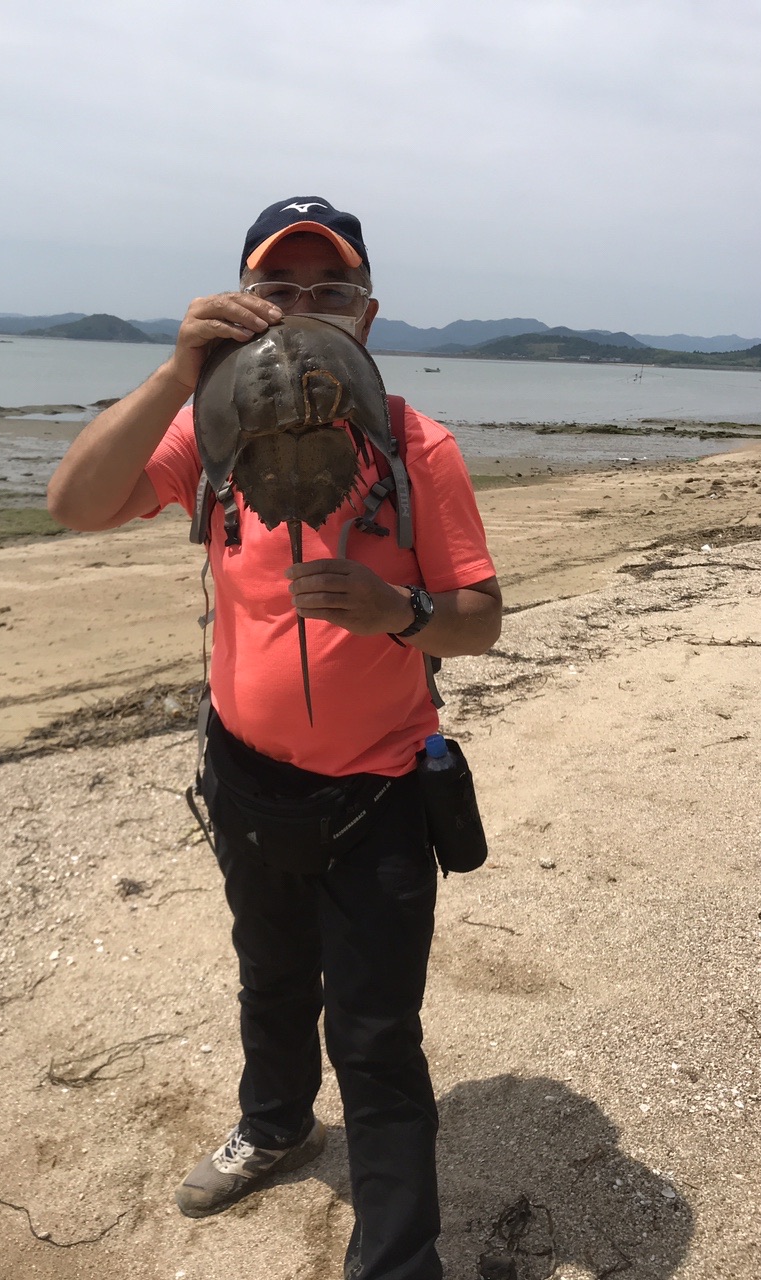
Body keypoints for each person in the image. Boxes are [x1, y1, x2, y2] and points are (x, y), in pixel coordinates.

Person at [47, 197, 502, 1280]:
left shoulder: (412, 444)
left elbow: (481, 617)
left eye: (327, 291)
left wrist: (396, 610)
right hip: (247, 777)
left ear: (367, 316)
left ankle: (396, 1260)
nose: (301, 308)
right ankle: (276, 1123)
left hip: (384, 789)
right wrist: (176, 373)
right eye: (275, 289)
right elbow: (73, 502)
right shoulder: (214, 430)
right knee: (270, 975)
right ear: (241, 306)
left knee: (378, 1034)